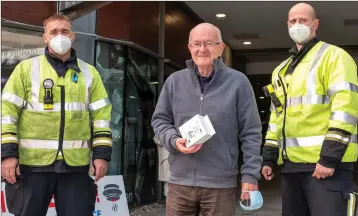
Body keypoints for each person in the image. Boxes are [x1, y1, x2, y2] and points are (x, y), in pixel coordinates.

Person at [1, 14, 112, 216]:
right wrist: (8, 155)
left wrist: (101, 156)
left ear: (73, 36)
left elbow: (101, 118)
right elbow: (7, 113)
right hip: (32, 166)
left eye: (64, 31)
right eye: (53, 32)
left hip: (76, 167)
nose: (59, 36)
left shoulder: (90, 73)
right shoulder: (26, 69)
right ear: (45, 37)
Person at [151, 22, 263, 216]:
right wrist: (174, 141)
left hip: (220, 184)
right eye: (197, 44)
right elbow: (160, 121)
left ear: (221, 48)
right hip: (180, 182)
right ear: (189, 48)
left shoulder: (238, 82)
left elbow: (251, 132)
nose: (202, 49)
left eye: (209, 43)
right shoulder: (174, 82)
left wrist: (250, 175)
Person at [261, 3, 358, 216]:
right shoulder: (281, 70)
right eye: (293, 21)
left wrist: (329, 158)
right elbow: (277, 118)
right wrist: (269, 157)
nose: (297, 25)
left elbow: (345, 109)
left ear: (316, 24)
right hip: (291, 168)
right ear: (287, 25)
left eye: (303, 20)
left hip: (326, 168)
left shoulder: (335, 57)